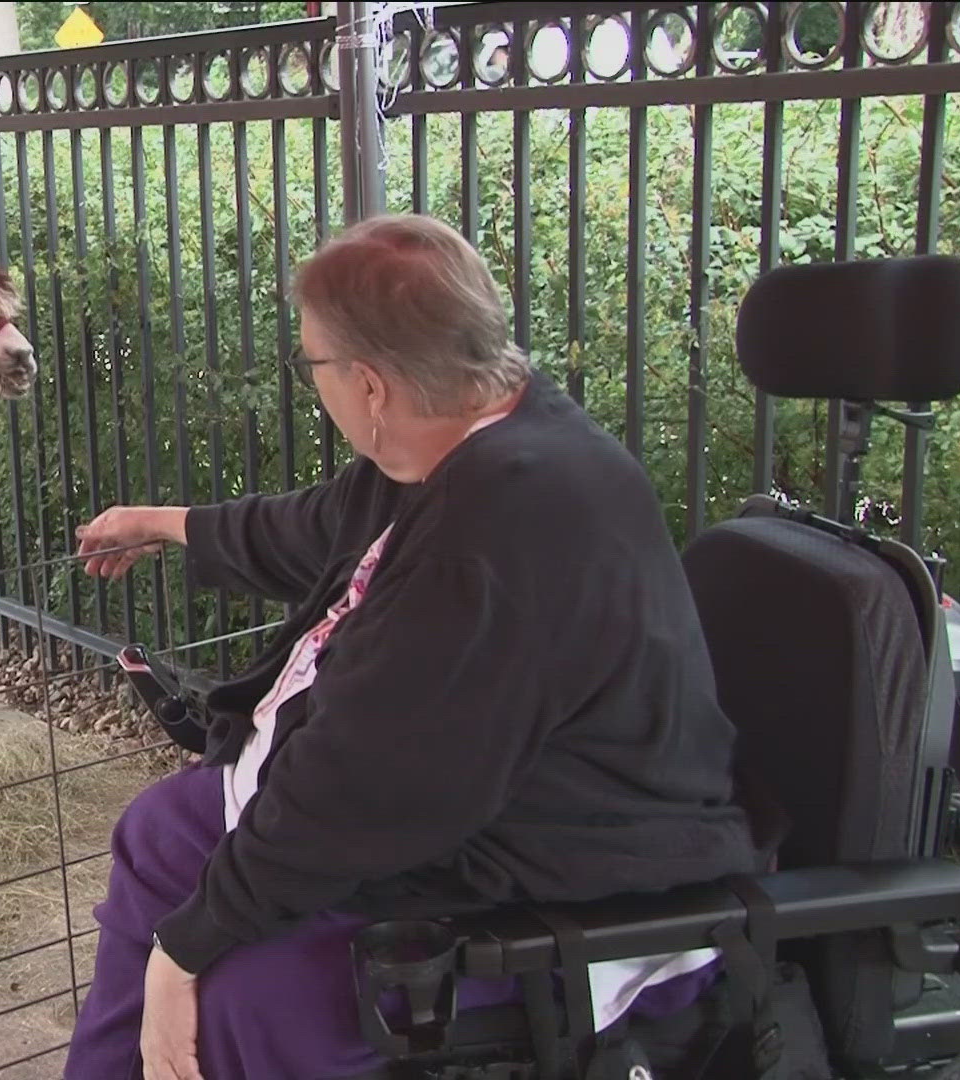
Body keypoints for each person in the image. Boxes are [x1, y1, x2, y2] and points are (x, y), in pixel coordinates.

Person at [61, 214, 765, 1080]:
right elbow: (318, 528)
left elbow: (363, 785)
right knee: (163, 830)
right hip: (450, 827)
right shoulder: (468, 441)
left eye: (311, 362)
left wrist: (188, 947)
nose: (311, 379)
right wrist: (161, 525)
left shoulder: (502, 526)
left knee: (251, 993)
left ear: (369, 387)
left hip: (566, 878)